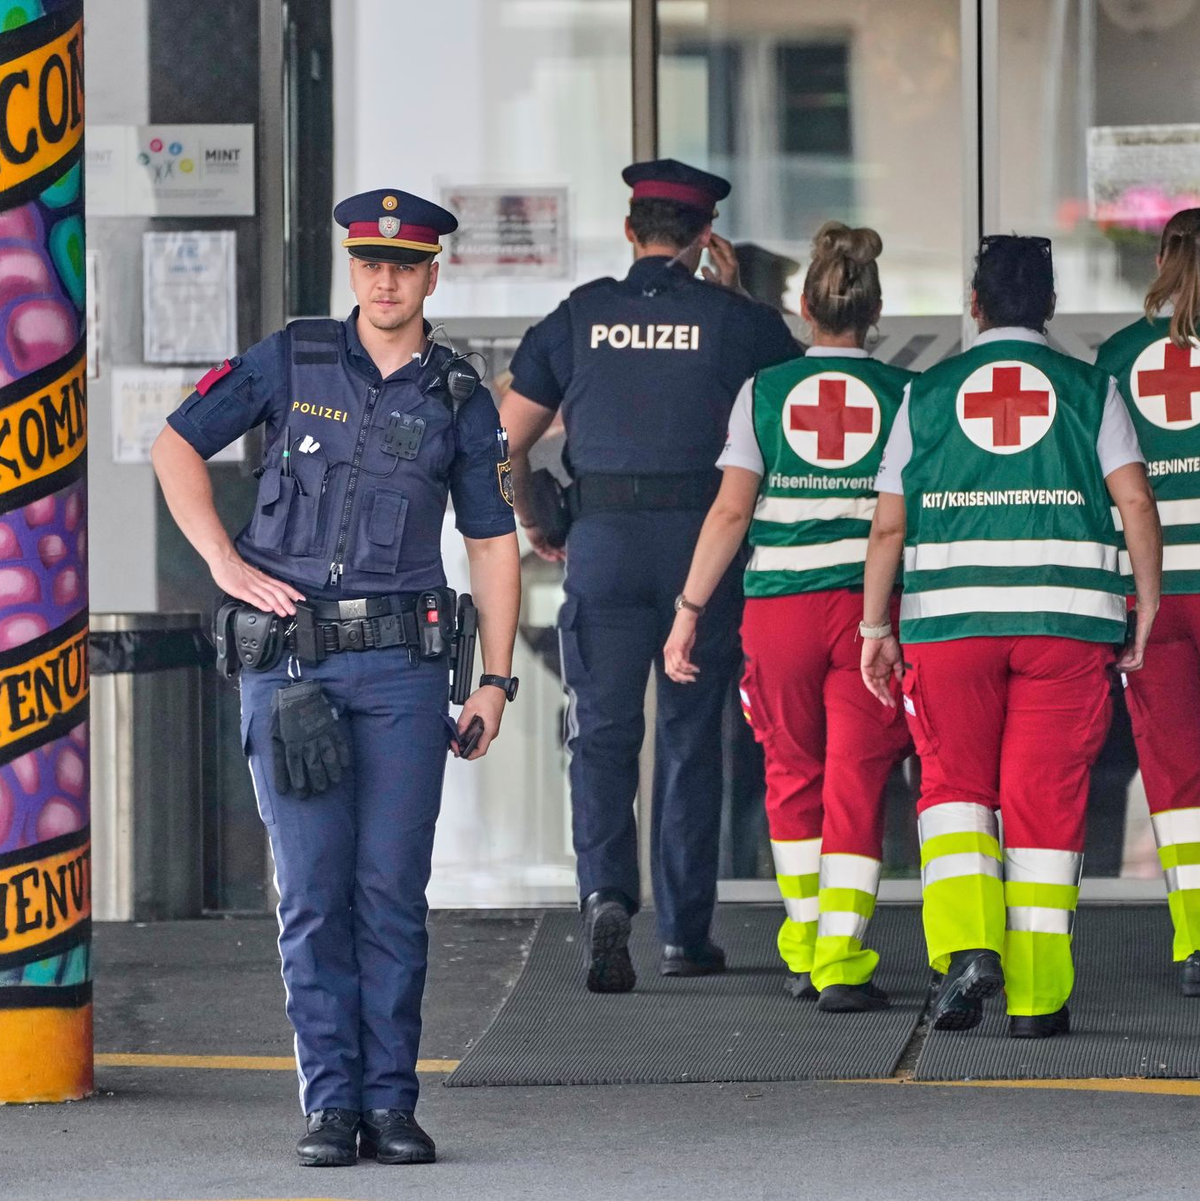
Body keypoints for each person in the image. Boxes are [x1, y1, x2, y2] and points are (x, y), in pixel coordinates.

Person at [150, 190, 520, 1166]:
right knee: (313, 890)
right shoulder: (294, 356)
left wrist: (495, 680)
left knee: (390, 890)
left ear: (433, 273)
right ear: (352, 268)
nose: (385, 281)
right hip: (290, 668)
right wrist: (224, 562)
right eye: (369, 263)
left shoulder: (459, 395)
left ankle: (391, 1104)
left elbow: (492, 541)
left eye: (404, 265)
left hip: (402, 672)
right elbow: (175, 443)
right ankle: (329, 1102)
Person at [502, 159, 800, 992]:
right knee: (688, 737)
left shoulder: (580, 315)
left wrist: (536, 516)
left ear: (630, 232)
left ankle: (605, 894)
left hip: (603, 543)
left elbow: (504, 440)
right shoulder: (735, 323)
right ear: (705, 238)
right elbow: (801, 398)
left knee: (600, 734)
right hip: (702, 548)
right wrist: (741, 301)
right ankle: (684, 933)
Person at [860, 235, 1161, 1038]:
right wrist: (1147, 602)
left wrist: (874, 625)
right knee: (1045, 797)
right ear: (1050, 304)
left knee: (954, 786)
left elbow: (888, 526)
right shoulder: (1091, 388)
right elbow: (1135, 502)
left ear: (975, 303)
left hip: (951, 628)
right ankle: (1037, 1000)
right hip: (1066, 628)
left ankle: (967, 947)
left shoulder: (926, 394)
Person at [664, 222, 912, 1012]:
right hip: (868, 612)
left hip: (779, 612)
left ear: (805, 308)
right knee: (857, 780)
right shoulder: (908, 395)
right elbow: (901, 520)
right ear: (874, 311)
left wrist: (689, 608)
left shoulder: (764, 393)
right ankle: (843, 959)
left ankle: (804, 945)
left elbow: (731, 512)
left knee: (790, 773)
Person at [1094, 208, 1200, 996]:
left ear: (1161, 257)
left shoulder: (1117, 360)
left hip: (1156, 593)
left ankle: (1196, 938)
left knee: (1175, 770)